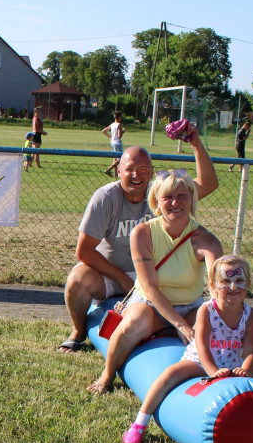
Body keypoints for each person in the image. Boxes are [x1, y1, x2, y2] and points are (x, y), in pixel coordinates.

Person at [58, 124, 218, 354]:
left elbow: (209, 184)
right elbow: (84, 251)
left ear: (152, 173)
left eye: (143, 169)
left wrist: (195, 143)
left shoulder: (162, 196)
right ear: (118, 170)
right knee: (77, 278)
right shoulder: (106, 198)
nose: (136, 175)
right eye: (130, 169)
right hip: (111, 274)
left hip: (154, 278)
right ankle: (78, 331)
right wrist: (123, 280)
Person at [121, 255, 253, 443]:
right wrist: (213, 372)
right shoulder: (206, 310)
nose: (232, 287)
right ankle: (140, 423)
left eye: (239, 281)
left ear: (247, 285)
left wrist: (245, 371)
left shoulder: (251, 316)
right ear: (213, 286)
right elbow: (202, 346)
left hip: (234, 365)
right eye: (225, 281)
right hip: (199, 361)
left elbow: (251, 351)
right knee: (167, 376)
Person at [87, 168, 224, 394]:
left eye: (182, 196)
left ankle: (214, 380)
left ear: (191, 200)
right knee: (133, 323)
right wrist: (179, 325)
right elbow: (149, 288)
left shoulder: (206, 240)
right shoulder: (143, 233)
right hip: (148, 303)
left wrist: (207, 316)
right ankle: (107, 375)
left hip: (189, 305)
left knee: (209, 330)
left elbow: (216, 285)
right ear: (157, 202)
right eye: (167, 197)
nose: (175, 203)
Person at [103, 111, 124, 176]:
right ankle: (108, 169)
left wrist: (111, 137)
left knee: (115, 159)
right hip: (117, 143)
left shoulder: (112, 124)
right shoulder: (118, 125)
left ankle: (115, 175)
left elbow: (104, 131)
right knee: (120, 159)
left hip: (112, 143)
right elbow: (119, 136)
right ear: (119, 117)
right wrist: (122, 131)